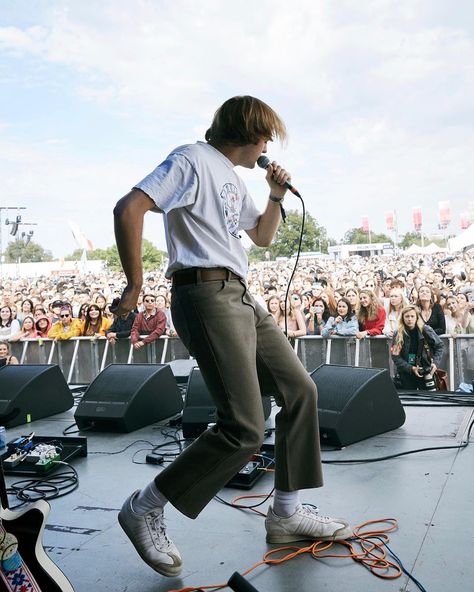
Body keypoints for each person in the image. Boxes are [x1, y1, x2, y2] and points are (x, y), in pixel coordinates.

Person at [113, 95, 351, 577]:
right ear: (248, 131)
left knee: (300, 390)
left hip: (239, 294)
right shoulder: (192, 159)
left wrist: (275, 195)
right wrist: (135, 283)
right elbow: (130, 206)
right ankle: (144, 506)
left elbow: (262, 237)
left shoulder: (232, 177)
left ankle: (285, 512)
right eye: (265, 136)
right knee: (243, 426)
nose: (267, 145)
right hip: (205, 292)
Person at [391, 305, 443, 390]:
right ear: (403, 318)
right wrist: (411, 368)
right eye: (407, 316)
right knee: (408, 401)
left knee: (428, 400)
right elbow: (395, 356)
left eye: (412, 316)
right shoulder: (398, 333)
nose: (410, 319)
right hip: (406, 372)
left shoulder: (426, 330)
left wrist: (435, 363)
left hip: (425, 370)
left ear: (417, 317)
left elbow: (439, 346)